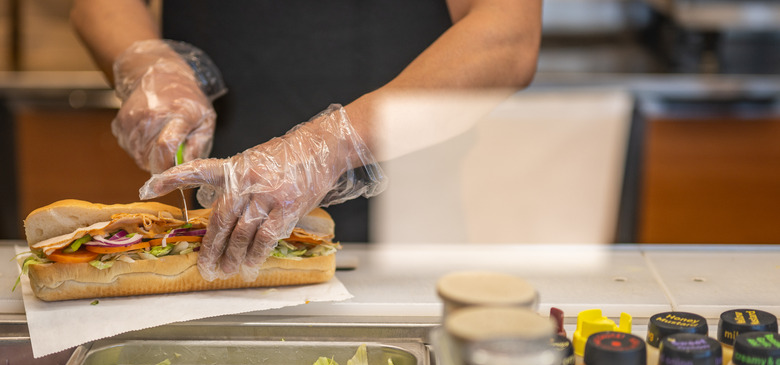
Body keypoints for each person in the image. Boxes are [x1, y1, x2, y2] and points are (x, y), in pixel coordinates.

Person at [70, 0, 542, 281]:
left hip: (404, 228)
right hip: (222, 222)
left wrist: (332, 145)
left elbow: (508, 35)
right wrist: (148, 64)